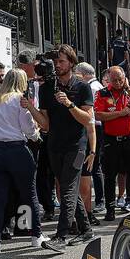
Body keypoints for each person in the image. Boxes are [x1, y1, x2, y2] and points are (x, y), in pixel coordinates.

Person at [0, 68, 59, 254]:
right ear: (21, 82)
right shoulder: (20, 100)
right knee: (29, 194)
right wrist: (36, 134)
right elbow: (28, 129)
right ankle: (36, 236)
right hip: (17, 150)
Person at [39, 44, 96, 248]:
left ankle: (61, 236)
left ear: (71, 63)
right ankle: (86, 230)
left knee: (68, 190)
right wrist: (30, 108)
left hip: (76, 146)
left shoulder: (82, 87)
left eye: (61, 61)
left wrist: (70, 104)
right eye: (55, 62)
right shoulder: (47, 88)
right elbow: (44, 124)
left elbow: (87, 120)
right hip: (54, 145)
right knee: (66, 187)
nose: (57, 65)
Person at [93, 66, 130, 218]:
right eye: (114, 80)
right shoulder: (102, 93)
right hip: (111, 139)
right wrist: (119, 113)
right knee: (110, 175)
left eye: (120, 80)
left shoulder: (129, 91)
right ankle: (110, 209)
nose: (117, 83)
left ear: (125, 79)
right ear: (108, 79)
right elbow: (98, 115)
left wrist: (128, 88)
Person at [74, 62, 103, 223]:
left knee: (88, 173)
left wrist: (92, 150)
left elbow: (91, 121)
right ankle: (85, 212)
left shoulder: (89, 88)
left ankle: (87, 212)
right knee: (90, 172)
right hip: (80, 137)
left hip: (89, 135)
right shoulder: (95, 86)